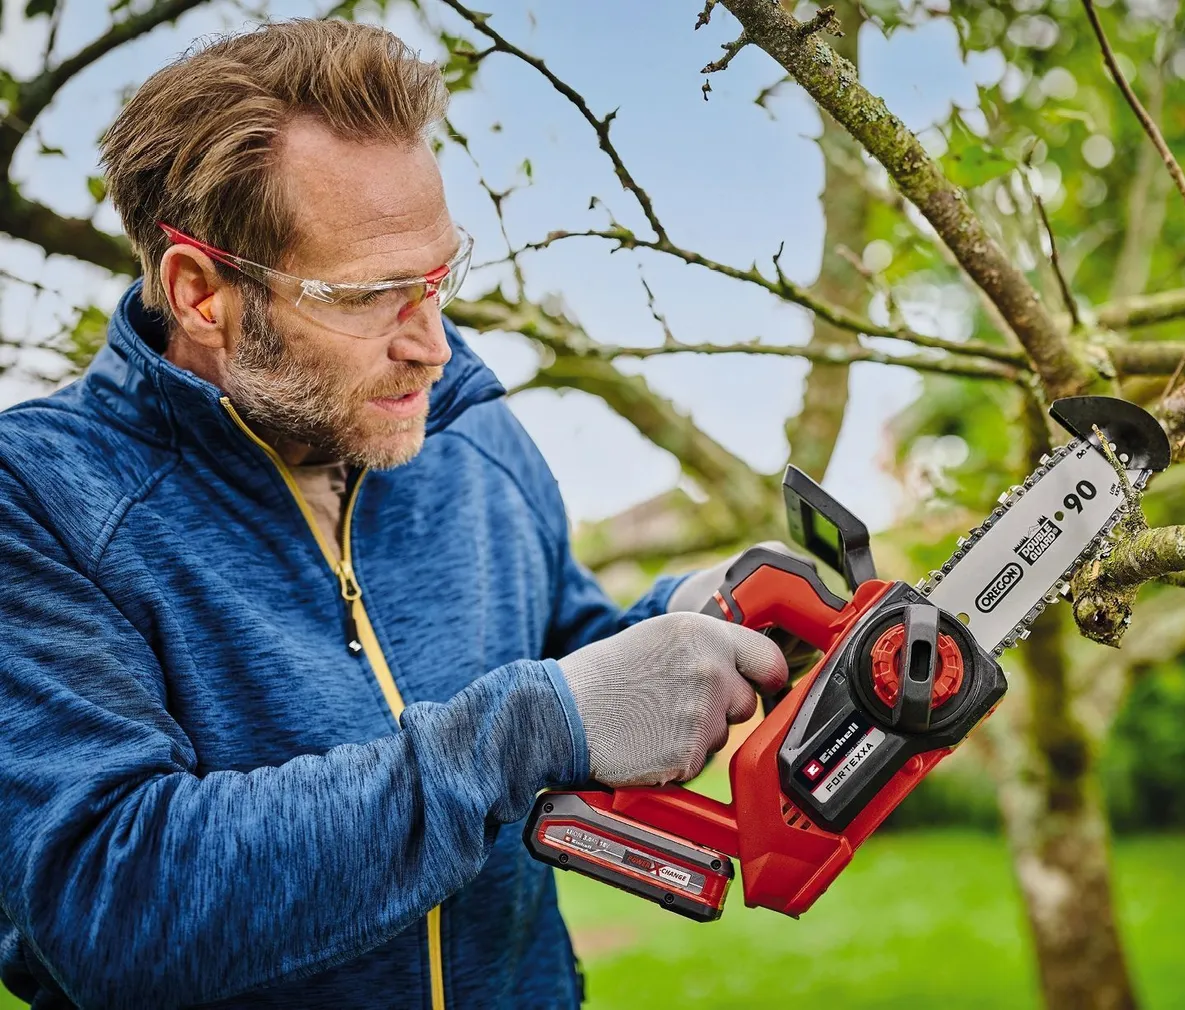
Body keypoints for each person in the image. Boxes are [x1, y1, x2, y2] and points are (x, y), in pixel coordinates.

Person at [0, 20, 796, 1010]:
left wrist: (697, 616)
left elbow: (562, 654)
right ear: (201, 294)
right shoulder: (40, 499)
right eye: (373, 293)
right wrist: (521, 730)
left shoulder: (466, 431)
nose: (432, 343)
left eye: (436, 278)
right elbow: (108, 904)